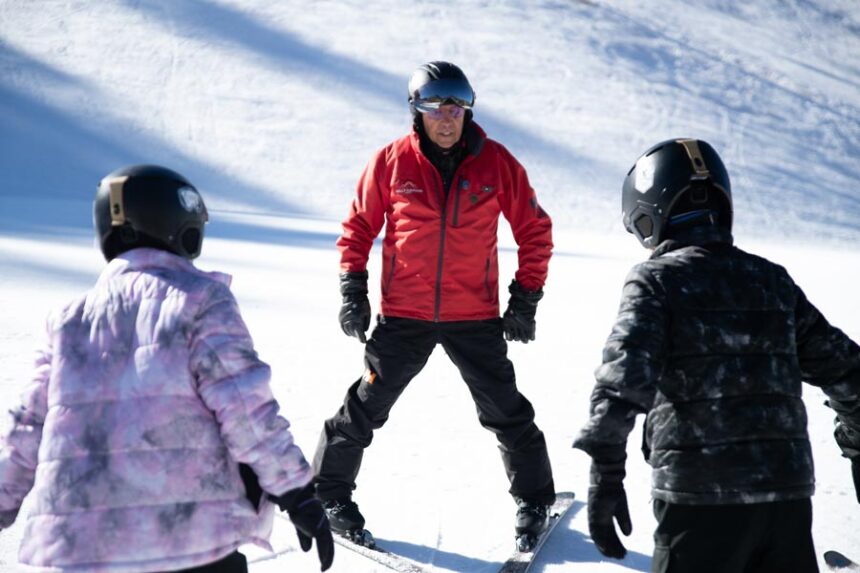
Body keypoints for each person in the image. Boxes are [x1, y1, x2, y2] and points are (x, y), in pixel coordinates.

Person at [0, 165, 334, 573]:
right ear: (177, 224)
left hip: (84, 552)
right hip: (190, 543)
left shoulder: (67, 321)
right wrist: (295, 490)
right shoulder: (199, 301)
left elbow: (24, 433)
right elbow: (245, 409)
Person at [573, 138, 860, 573]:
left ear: (646, 215)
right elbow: (848, 372)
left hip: (698, 503)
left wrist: (606, 474)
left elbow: (623, 379)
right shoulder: (772, 281)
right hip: (787, 501)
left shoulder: (656, 281)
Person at [312, 61, 556, 545]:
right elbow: (358, 229)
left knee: (506, 411)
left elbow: (534, 230)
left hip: (475, 316)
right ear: (416, 110)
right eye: (435, 107)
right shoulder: (391, 162)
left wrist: (525, 297)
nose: (446, 117)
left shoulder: (497, 163)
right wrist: (352, 292)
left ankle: (534, 500)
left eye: (456, 106)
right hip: (405, 315)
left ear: (467, 110)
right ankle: (328, 492)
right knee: (364, 407)